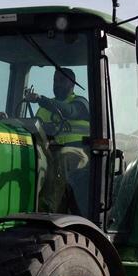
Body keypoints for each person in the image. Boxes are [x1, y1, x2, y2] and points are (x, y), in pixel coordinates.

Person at [24, 68, 91, 214]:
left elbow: (69, 111)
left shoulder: (80, 103)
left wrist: (40, 99)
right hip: (49, 151)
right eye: (55, 80)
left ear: (72, 83)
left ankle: (48, 209)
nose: (57, 84)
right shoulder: (44, 109)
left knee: (64, 157)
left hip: (81, 153)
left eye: (61, 80)